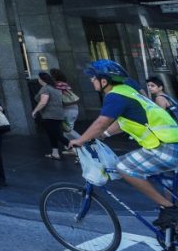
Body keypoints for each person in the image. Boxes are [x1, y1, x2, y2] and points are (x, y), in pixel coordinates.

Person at [68, 60, 178, 229]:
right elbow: (122, 123)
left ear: (104, 81)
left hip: (166, 146)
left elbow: (102, 122)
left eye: (93, 78)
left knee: (124, 167)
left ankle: (169, 209)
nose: (91, 81)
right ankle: (172, 227)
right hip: (171, 142)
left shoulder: (114, 96)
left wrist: (80, 140)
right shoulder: (127, 91)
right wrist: (103, 135)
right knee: (167, 183)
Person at [33, 71, 68, 160]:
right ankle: (55, 153)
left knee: (56, 135)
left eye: (39, 78)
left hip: (50, 115)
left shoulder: (46, 89)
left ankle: (77, 149)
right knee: (52, 134)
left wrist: (35, 111)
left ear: (41, 80)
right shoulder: (55, 88)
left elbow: (43, 102)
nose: (38, 80)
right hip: (58, 114)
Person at [50, 67, 81, 142]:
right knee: (68, 128)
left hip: (67, 110)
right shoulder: (66, 84)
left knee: (67, 130)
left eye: (51, 75)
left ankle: (83, 141)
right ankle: (73, 146)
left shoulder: (58, 85)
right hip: (74, 109)